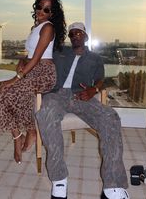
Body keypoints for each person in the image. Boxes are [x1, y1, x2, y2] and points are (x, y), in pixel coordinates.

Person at [35, 22, 129, 199]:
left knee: (111, 117)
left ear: (85, 36)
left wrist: (93, 89)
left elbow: (101, 80)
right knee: (46, 114)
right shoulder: (59, 53)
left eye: (78, 33)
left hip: (82, 96)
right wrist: (25, 62)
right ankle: (59, 178)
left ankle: (113, 185)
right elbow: (39, 59)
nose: (75, 35)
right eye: (72, 34)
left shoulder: (95, 58)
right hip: (56, 95)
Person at [0, 0, 67, 164]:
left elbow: (38, 57)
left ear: (51, 13)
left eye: (46, 9)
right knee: (0, 93)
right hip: (32, 70)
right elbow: (30, 55)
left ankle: (29, 131)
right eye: (39, 6)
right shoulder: (36, 28)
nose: (41, 11)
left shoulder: (48, 28)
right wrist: (21, 61)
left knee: (7, 91)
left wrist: (15, 78)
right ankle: (19, 135)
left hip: (43, 73)